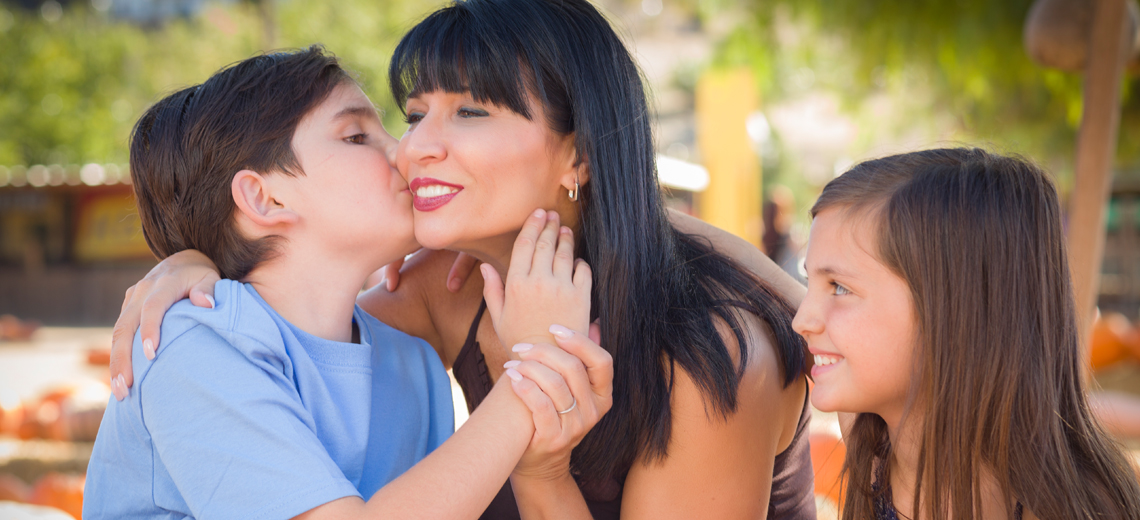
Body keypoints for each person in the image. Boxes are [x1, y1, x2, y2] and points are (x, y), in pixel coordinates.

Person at [108, 0, 815, 518]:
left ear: (581, 153)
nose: (412, 149)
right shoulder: (435, 297)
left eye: (471, 112)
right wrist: (190, 259)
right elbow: (280, 309)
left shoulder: (709, 349)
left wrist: (539, 436)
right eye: (414, 117)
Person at [85, 46, 612, 520]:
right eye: (357, 136)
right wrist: (533, 370)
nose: (405, 151)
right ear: (265, 199)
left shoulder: (413, 366)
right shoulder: (192, 345)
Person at [795, 148, 1140, 519]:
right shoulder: (870, 439)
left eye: (839, 287)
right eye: (809, 281)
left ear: (952, 308)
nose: (802, 319)